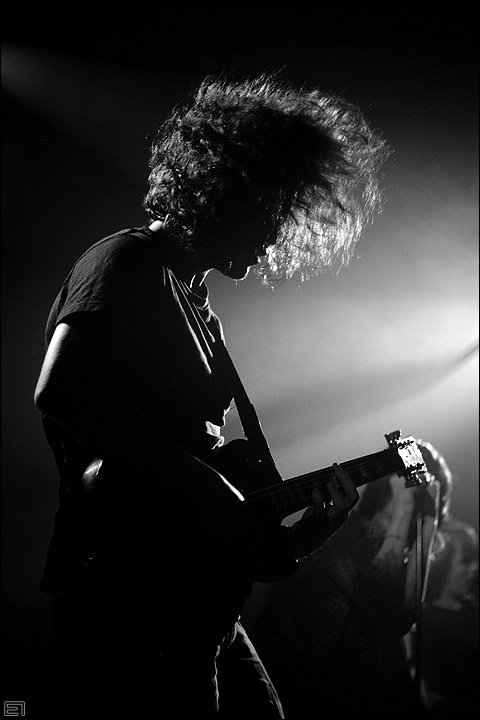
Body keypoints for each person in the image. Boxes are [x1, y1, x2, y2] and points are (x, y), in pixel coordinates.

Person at [34, 75, 388, 718]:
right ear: (229, 193)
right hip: (127, 597)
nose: (275, 235)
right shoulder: (127, 261)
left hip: (199, 601)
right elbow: (62, 389)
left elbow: (242, 539)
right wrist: (207, 487)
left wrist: (315, 528)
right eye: (270, 211)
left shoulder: (204, 315)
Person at [249, 439, 450, 719]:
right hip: (280, 684)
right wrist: (404, 507)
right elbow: (374, 588)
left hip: (332, 700)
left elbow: (402, 620)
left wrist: (429, 525)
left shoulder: (397, 556)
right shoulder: (344, 529)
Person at [420, 516, 479, 719]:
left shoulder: (472, 609)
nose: (475, 568)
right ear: (442, 566)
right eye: (465, 561)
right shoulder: (427, 622)